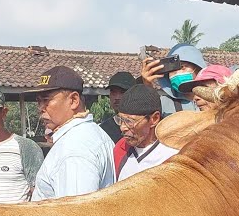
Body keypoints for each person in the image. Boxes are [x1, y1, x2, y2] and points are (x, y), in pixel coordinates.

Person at [30, 66, 115, 201]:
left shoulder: (74, 148)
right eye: (39, 102)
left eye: (46, 100)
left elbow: (75, 215)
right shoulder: (90, 133)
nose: (41, 108)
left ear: (74, 100)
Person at [113, 84, 179, 181]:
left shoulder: (173, 157)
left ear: (154, 119)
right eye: (120, 120)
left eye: (130, 121)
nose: (123, 127)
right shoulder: (120, 149)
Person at [140, 43, 207, 117]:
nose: (177, 73)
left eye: (182, 67)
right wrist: (148, 87)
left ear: (198, 68)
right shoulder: (163, 103)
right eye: (172, 70)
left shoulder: (215, 98)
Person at [100, 71, 136, 143]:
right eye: (113, 92)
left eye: (122, 92)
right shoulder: (103, 130)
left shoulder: (142, 126)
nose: (117, 97)